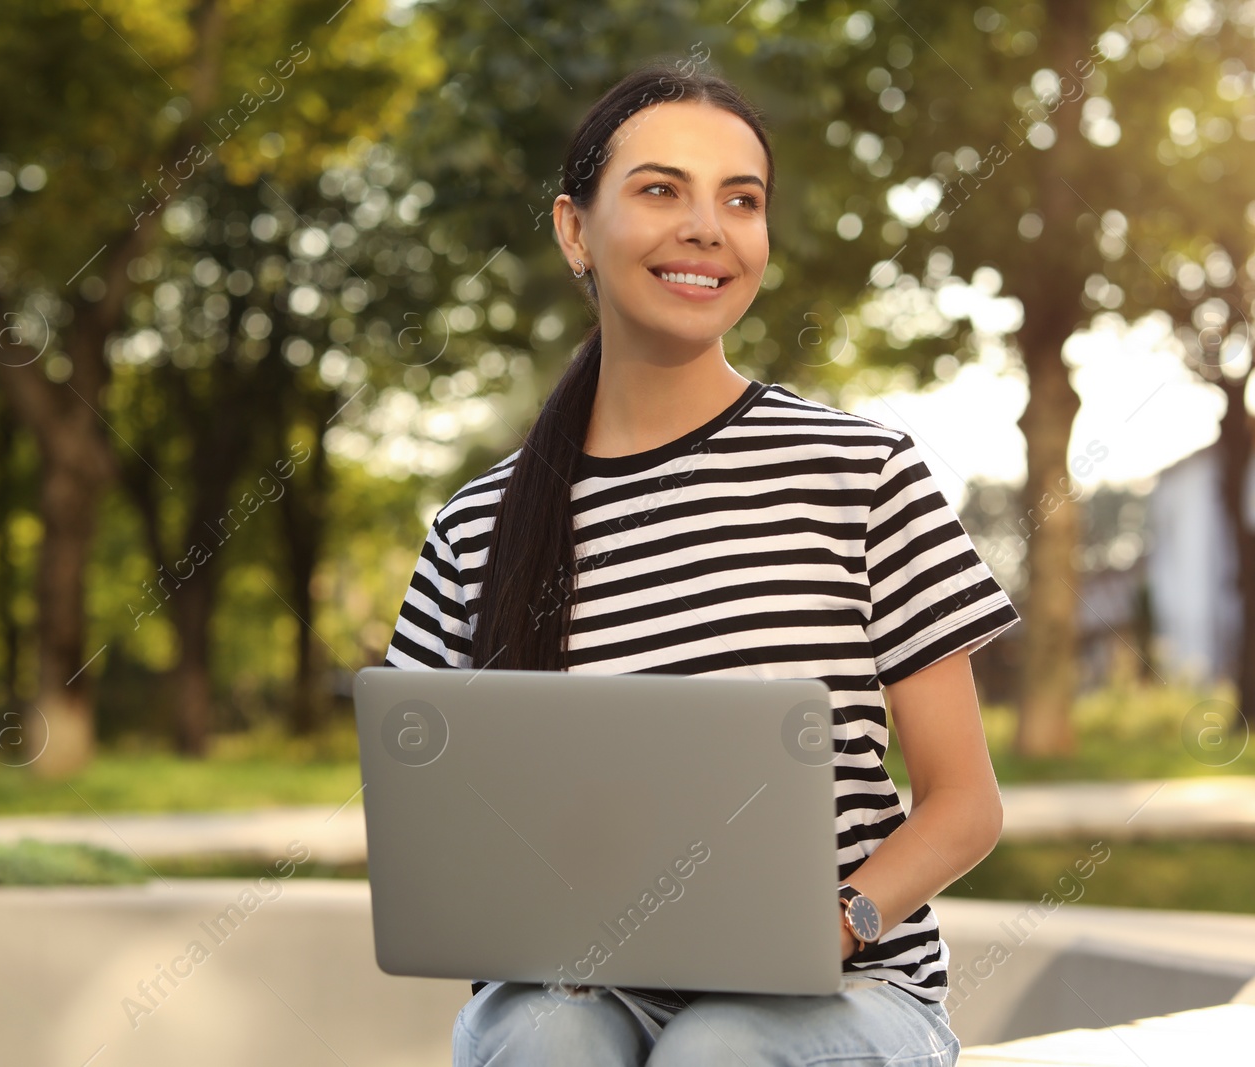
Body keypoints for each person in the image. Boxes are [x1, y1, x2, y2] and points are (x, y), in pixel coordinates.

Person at [383, 58, 1019, 1067]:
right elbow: (436, 837)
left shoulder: (861, 472)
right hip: (585, 987)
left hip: (850, 987)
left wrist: (843, 917)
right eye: (659, 190)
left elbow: (964, 801)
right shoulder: (476, 526)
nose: (706, 227)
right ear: (573, 228)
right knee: (545, 1035)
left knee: (718, 1046)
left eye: (741, 199)